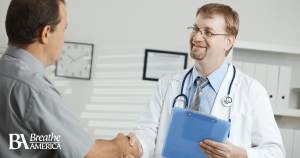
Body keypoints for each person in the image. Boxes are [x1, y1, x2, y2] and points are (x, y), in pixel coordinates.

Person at [126, 3, 285, 158]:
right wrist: (138, 146)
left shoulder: (252, 91)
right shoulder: (167, 83)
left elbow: (275, 152)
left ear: (228, 41)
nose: (196, 37)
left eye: (208, 32)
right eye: (195, 29)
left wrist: (241, 154)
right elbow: (147, 132)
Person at [0, 0, 138, 158]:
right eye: (63, 29)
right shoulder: (36, 89)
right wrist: (121, 145)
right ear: (46, 33)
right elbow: (89, 155)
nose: (64, 37)